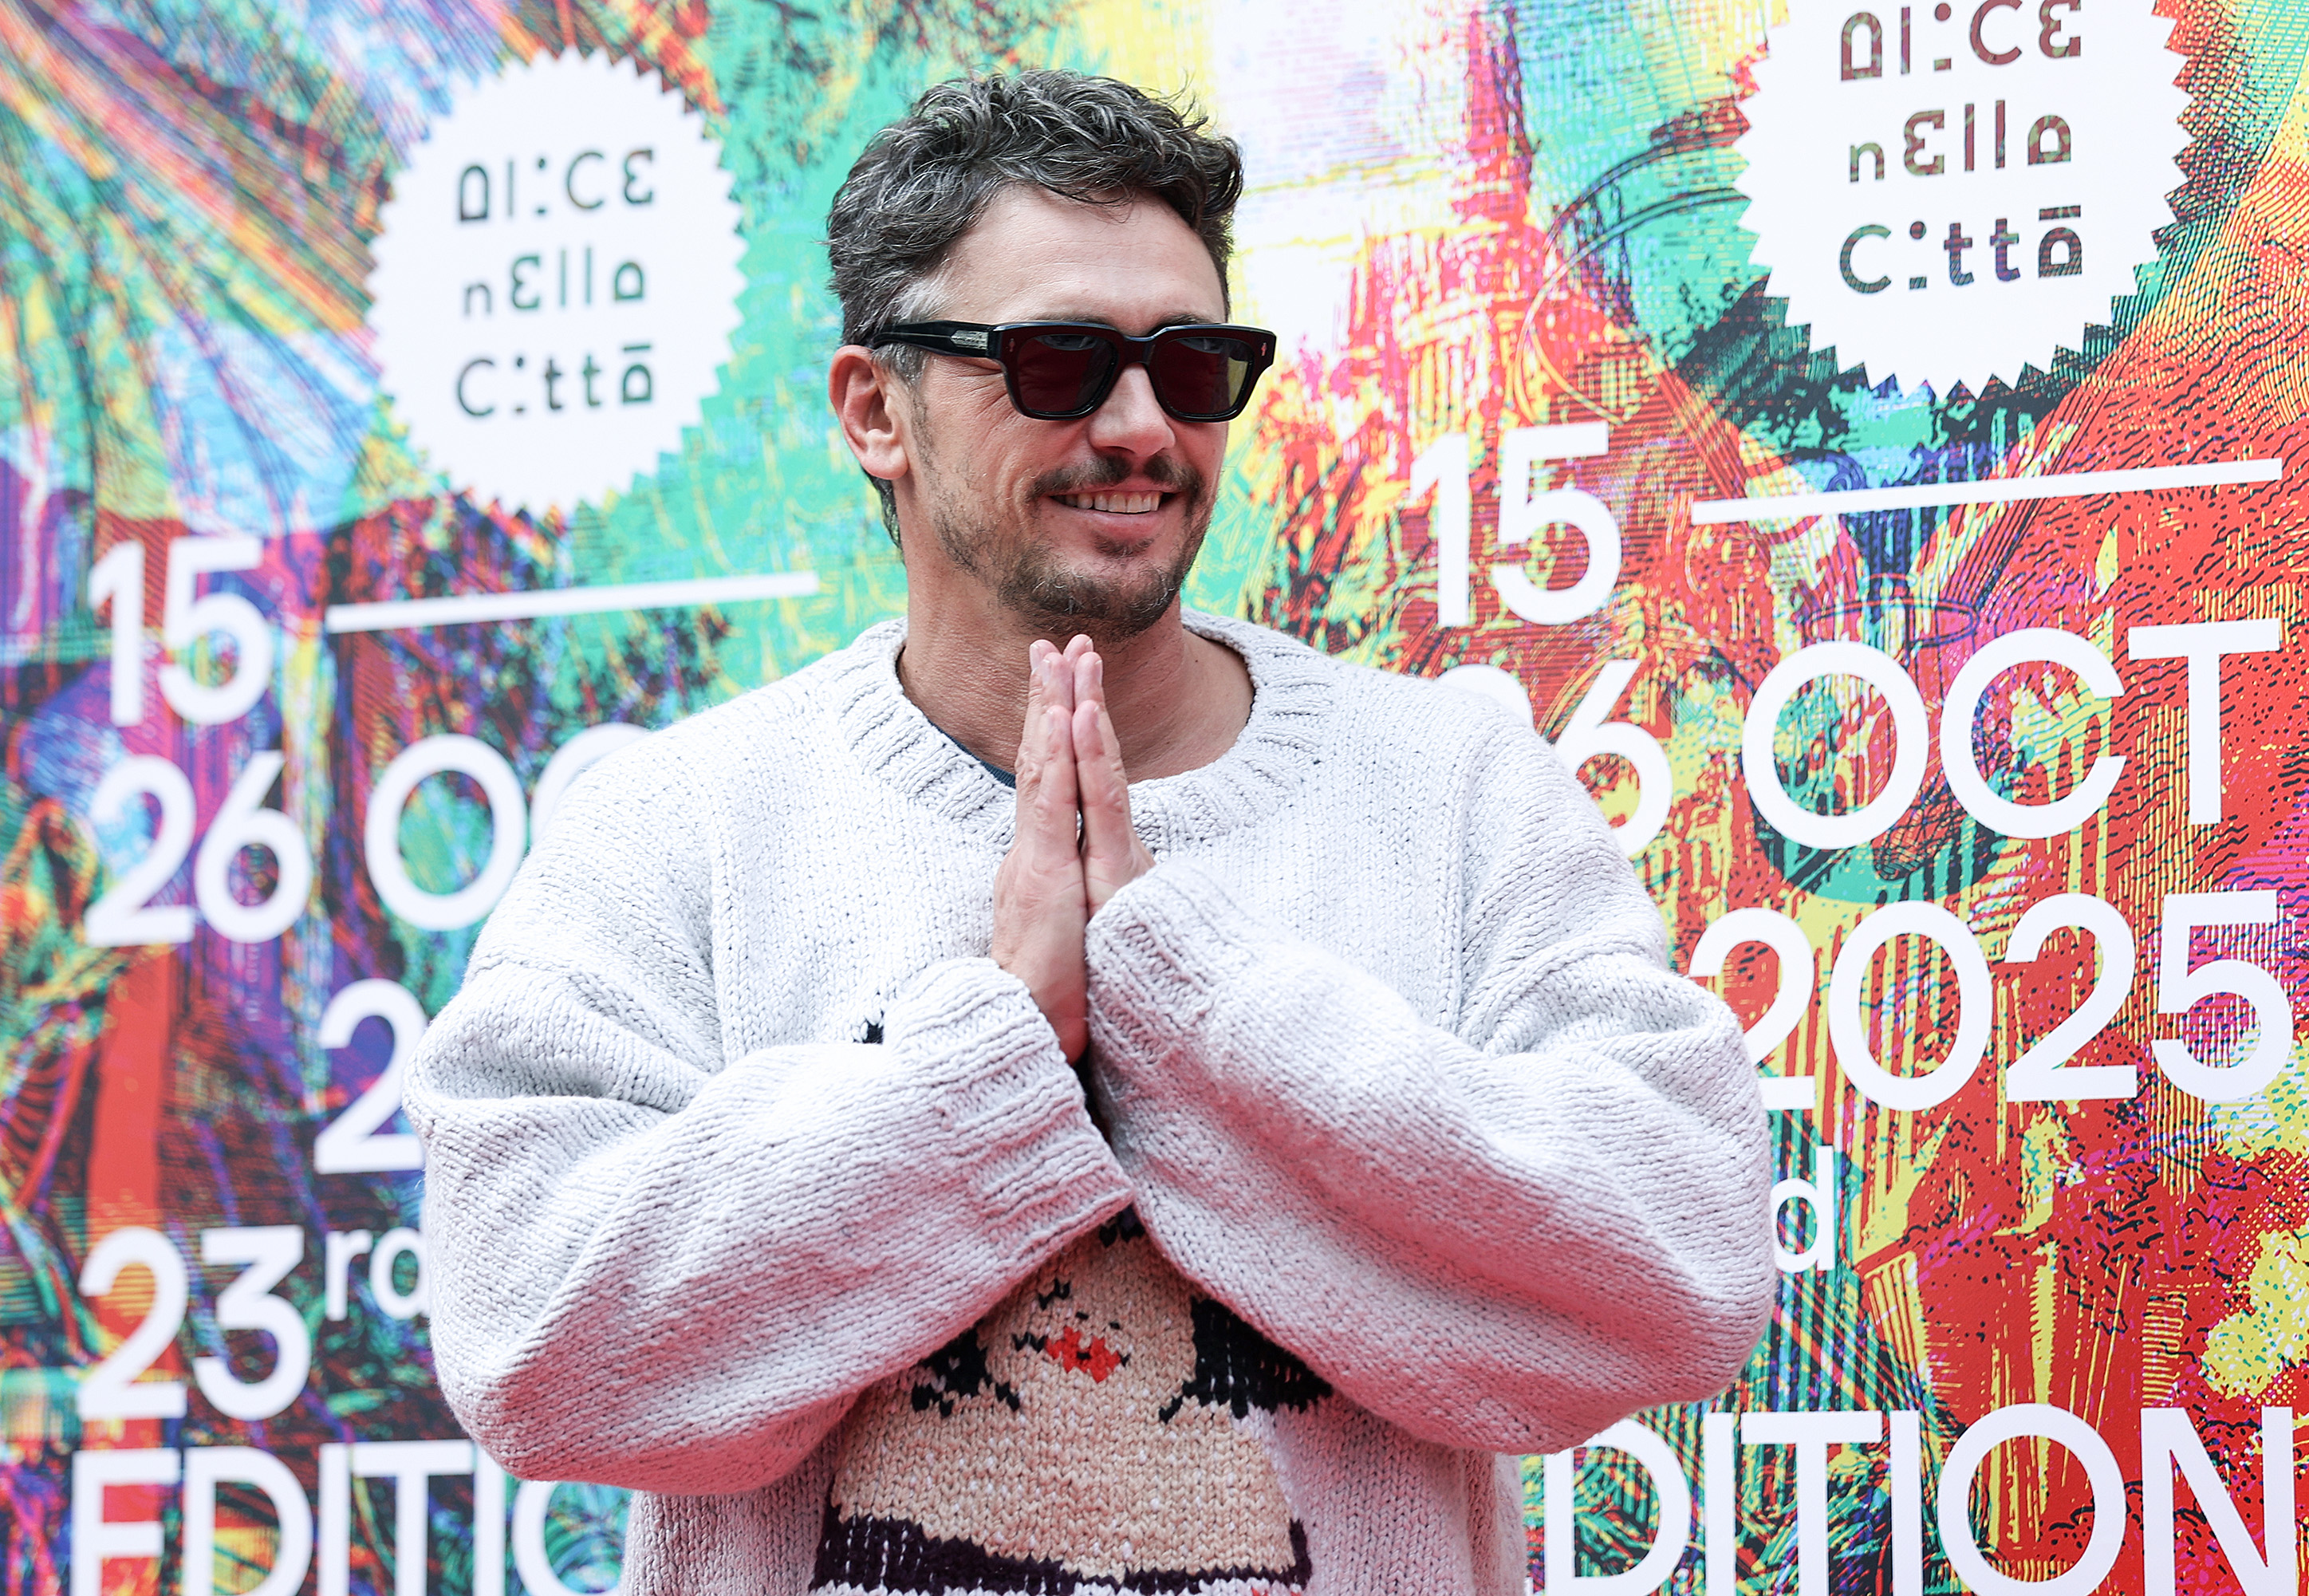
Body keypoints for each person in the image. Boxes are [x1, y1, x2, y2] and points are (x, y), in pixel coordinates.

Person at [407, 69, 1772, 1596]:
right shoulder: (684, 822)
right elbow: (530, 1342)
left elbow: (1679, 1258)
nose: (1141, 426)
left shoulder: (1448, 780)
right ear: (876, 408)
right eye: (1059, 361)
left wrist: (1192, 1003)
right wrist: (984, 1070)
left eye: (1193, 365)